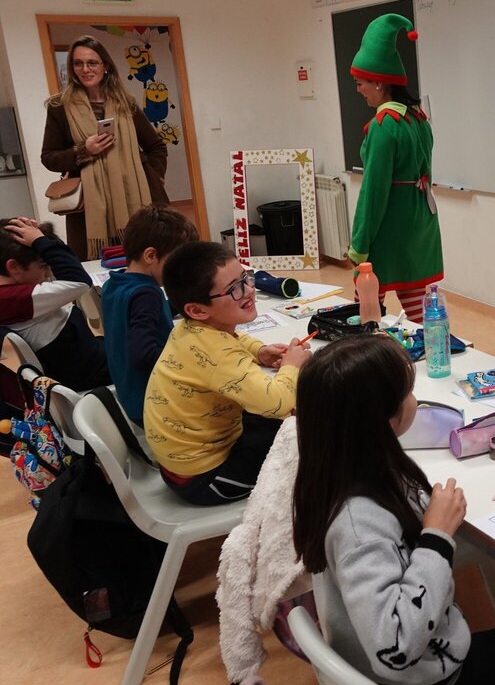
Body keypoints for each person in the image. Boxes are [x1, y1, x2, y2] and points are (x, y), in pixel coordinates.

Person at [291, 335, 495, 685]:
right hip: (428, 676)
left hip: (416, 661)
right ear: (384, 419)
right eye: (408, 392)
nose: (414, 399)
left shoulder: (336, 471)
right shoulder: (358, 524)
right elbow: (394, 647)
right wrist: (437, 537)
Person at [143, 241, 311, 505]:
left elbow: (234, 339)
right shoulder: (219, 354)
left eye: (246, 278)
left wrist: (259, 351)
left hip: (182, 465)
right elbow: (278, 402)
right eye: (234, 288)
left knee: (280, 423)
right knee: (308, 442)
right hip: (206, 479)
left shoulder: (189, 329)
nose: (249, 290)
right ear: (197, 310)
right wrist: (293, 365)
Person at [343, 14, 442, 324]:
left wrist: (359, 245)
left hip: (387, 231)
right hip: (419, 227)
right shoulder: (419, 120)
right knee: (420, 314)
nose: (359, 90)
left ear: (378, 82)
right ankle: (431, 348)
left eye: (360, 83)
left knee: (367, 311)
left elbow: (373, 192)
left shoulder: (384, 126)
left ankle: (374, 351)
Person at [40, 35, 170, 260]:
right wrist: (84, 150)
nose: (85, 69)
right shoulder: (60, 107)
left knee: (146, 260)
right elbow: (49, 157)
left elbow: (156, 147)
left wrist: (153, 178)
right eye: (78, 63)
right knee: (98, 269)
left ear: (106, 66)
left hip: (136, 199)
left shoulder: (126, 103)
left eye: (92, 62)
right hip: (90, 209)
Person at [102, 204, 198, 424]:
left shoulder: (115, 283)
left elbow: (143, 316)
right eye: (177, 261)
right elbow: (143, 355)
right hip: (155, 405)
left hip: (130, 396)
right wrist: (191, 356)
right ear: (151, 255)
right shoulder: (146, 293)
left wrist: (185, 303)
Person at [0, 216, 110, 391]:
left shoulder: (12, 294)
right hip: (93, 375)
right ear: (14, 267)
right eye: (43, 266)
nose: (48, 273)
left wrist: (42, 238)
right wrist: (40, 241)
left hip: (86, 362)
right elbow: (80, 282)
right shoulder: (18, 299)